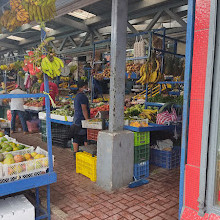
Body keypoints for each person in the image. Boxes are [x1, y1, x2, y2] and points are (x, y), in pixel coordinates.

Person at [70, 80, 90, 158]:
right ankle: (87, 152)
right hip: (81, 120)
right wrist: (87, 120)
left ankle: (75, 153)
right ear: (81, 88)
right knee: (85, 136)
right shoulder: (82, 96)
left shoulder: (77, 96)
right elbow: (84, 109)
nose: (87, 88)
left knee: (76, 137)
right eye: (85, 87)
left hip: (76, 119)